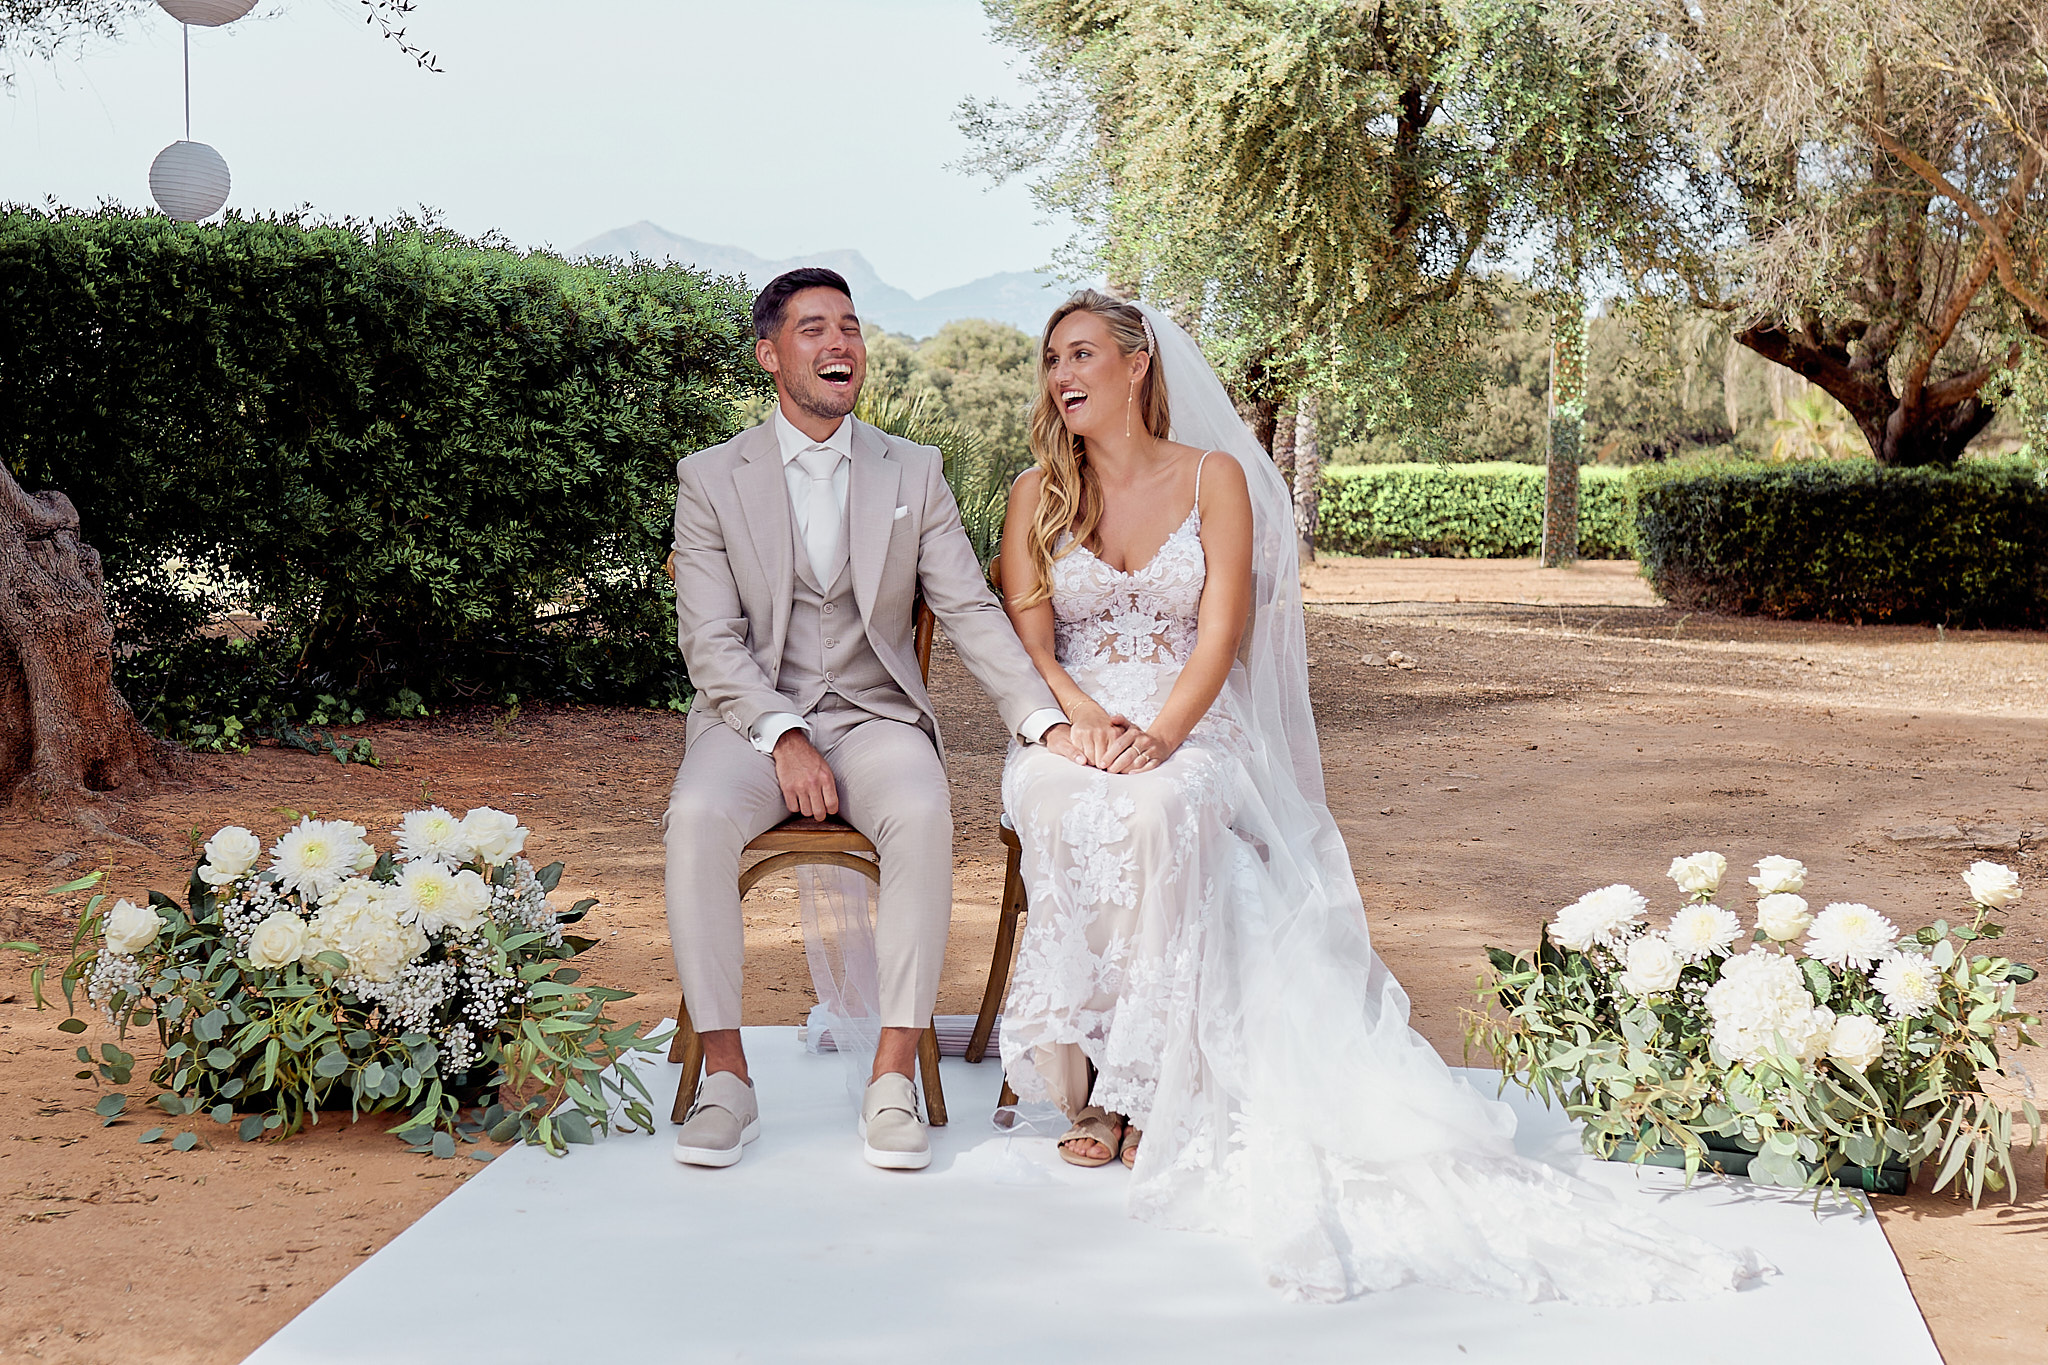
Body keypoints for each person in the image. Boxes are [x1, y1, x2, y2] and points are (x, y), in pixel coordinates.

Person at [995, 290, 1764, 1303]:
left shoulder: (1214, 478)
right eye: (1053, 359)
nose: (1062, 375)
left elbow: (1221, 635)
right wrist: (1084, 724)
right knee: (1059, 803)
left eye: (1081, 353)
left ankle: (1149, 1088)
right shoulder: (1035, 492)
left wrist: (1164, 737)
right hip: (1074, 720)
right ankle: (1081, 1080)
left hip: (1189, 719)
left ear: (1137, 365)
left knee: (1159, 808)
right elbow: (1032, 645)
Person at [662, 268, 1077, 1172]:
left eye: (850, 326)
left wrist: (1041, 720)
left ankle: (892, 1076)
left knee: (923, 809)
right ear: (770, 355)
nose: (839, 342)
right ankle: (727, 1077)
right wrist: (783, 734)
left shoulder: (912, 470)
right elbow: (710, 641)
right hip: (747, 723)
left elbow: (968, 608)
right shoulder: (710, 478)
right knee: (694, 816)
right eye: (813, 328)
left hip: (874, 715)